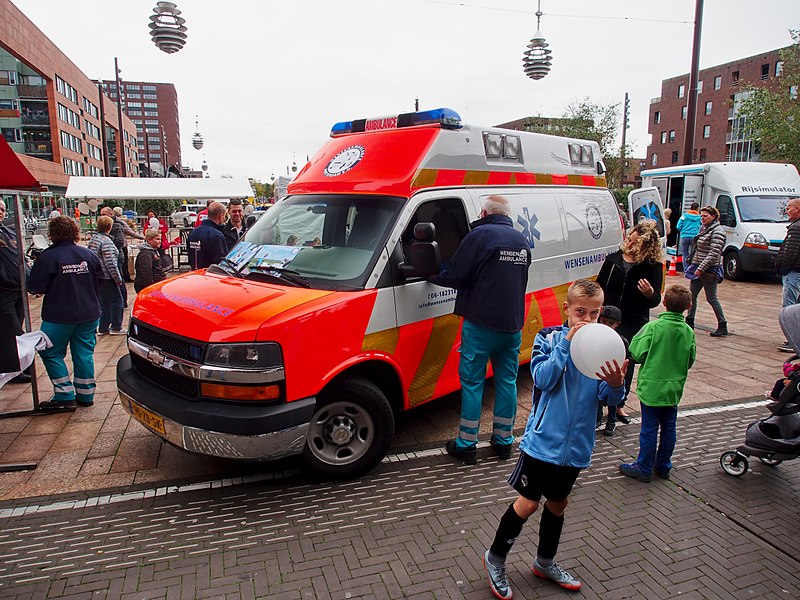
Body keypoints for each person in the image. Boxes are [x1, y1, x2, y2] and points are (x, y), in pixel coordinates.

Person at [483, 279, 627, 597]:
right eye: (580, 312)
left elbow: (610, 398)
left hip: (576, 448)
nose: (587, 320)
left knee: (558, 504)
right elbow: (543, 379)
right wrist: (566, 346)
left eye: (594, 313)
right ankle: (494, 558)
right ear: (567, 309)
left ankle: (544, 562)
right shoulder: (548, 338)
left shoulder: (602, 345)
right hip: (542, 444)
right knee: (529, 504)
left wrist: (617, 383)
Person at [429, 195, 531, 464]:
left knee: (473, 384)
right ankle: (503, 441)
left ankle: (467, 444)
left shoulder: (479, 236)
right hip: (512, 326)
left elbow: (455, 275)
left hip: (481, 324)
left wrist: (430, 272)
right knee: (507, 382)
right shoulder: (521, 240)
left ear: (484, 213)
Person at [619, 284, 696, 482]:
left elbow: (636, 352)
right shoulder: (688, 331)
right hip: (673, 388)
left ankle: (644, 466)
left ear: (664, 303)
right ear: (688, 305)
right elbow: (690, 360)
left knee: (649, 428)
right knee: (669, 427)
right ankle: (663, 465)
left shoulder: (653, 328)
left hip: (652, 388)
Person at [27, 216, 104, 410]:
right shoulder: (88, 254)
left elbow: (36, 286)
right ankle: (86, 396)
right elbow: (101, 278)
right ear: (74, 232)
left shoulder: (48, 257)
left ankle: (64, 394)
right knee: (84, 353)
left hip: (59, 316)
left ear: (52, 234)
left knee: (50, 352)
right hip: (88, 314)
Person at [596, 220, 664, 435]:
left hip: (633, 320)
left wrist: (649, 294)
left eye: (634, 241)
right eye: (629, 239)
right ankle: (597, 403)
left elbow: (655, 300)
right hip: (607, 317)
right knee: (600, 357)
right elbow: (599, 285)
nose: (629, 243)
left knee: (626, 360)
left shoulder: (652, 266)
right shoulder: (613, 260)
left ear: (645, 245)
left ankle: (618, 405)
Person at [0, 199, 32, 383]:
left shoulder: (7, 231)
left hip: (18, 288)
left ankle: (19, 367)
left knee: (16, 329)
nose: (1, 212)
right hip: (3, 291)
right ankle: (15, 369)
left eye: (3, 209)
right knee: (12, 331)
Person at [685, 206, 728, 337]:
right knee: (692, 295)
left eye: (705, 216)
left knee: (711, 297)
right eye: (701, 216)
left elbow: (714, 253)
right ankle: (689, 322)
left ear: (713, 216)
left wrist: (701, 268)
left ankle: (722, 325)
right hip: (697, 266)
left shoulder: (718, 231)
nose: (702, 218)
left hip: (709, 269)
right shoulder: (705, 228)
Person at [87, 216, 125, 335]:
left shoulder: (94, 239)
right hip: (107, 277)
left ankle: (103, 327)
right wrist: (118, 279)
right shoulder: (106, 241)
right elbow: (111, 263)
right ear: (109, 227)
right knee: (117, 301)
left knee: (104, 303)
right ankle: (116, 327)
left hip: (98, 276)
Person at [774, 197, 800, 352]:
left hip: (793, 272)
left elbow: (790, 252)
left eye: (789, 208)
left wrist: (782, 267)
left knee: (789, 307)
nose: (786, 211)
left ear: (797, 209)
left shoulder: (796, 228)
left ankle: (793, 340)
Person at [596, 305, 628, 428]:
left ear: (617, 324)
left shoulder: (621, 341)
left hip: (613, 374)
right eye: (603, 321)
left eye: (610, 323)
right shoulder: (594, 337)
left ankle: (611, 421)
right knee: (597, 396)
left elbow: (626, 362)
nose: (605, 325)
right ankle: (597, 419)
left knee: (612, 400)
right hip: (598, 372)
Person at [187, 201, 228, 270]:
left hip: (195, 274)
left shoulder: (193, 233)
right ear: (221, 216)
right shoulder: (217, 236)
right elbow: (221, 263)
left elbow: (190, 258)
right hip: (210, 276)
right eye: (224, 216)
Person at [676, 202, 701, 267]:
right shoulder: (699, 218)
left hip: (684, 237)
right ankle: (691, 269)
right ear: (697, 209)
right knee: (693, 254)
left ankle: (686, 269)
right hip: (694, 237)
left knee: (685, 254)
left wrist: (684, 231)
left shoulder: (684, 216)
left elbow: (678, 227)